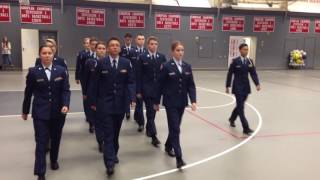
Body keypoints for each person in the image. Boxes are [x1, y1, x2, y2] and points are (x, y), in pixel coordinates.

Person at [22, 45, 71, 180]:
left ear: (53, 55)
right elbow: (28, 93)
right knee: (41, 141)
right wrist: (25, 110)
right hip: (40, 112)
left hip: (58, 112)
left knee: (55, 139)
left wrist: (66, 104)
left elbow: (66, 90)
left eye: (50, 53)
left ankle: (54, 159)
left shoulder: (61, 70)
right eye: (44, 53)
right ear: (40, 55)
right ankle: (40, 172)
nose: (47, 55)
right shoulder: (33, 72)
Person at [90, 37, 136, 176]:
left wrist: (132, 98)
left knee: (115, 133)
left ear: (119, 48)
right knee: (109, 134)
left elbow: (131, 82)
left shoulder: (126, 63)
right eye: (112, 45)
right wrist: (93, 102)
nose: (115, 47)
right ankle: (109, 163)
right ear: (108, 48)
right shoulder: (101, 63)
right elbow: (94, 84)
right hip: (105, 103)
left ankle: (114, 153)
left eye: (117, 45)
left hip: (121, 104)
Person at [155, 41, 197, 169]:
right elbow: (159, 85)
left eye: (182, 50)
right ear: (172, 52)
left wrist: (193, 100)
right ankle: (179, 158)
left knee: (175, 126)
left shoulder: (187, 66)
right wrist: (156, 102)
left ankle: (168, 145)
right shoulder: (166, 66)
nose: (180, 52)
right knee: (175, 128)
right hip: (170, 103)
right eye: (178, 50)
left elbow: (191, 85)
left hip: (182, 102)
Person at [136, 36, 166, 147]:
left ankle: (149, 129)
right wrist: (138, 91)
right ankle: (154, 136)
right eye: (152, 44)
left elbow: (164, 74)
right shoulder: (142, 57)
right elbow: (138, 75)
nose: (154, 45)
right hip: (146, 90)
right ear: (148, 45)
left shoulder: (161, 57)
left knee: (152, 113)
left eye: (156, 44)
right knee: (150, 111)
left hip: (157, 91)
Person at [226, 43, 261, 136]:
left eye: (247, 49)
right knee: (241, 107)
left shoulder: (250, 61)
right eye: (244, 49)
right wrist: (227, 86)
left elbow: (253, 73)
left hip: (246, 87)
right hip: (237, 87)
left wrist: (257, 84)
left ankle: (232, 118)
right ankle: (246, 127)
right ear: (240, 50)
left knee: (239, 106)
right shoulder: (235, 61)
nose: (246, 51)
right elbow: (230, 74)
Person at [84, 41, 107, 153]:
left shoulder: (109, 62)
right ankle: (100, 141)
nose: (101, 50)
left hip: (107, 97)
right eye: (99, 48)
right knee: (98, 121)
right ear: (95, 50)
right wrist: (88, 96)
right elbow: (86, 80)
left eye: (103, 48)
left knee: (107, 121)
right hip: (95, 97)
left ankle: (107, 140)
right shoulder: (90, 62)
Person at [82, 37, 98, 133]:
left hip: (101, 90)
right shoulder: (88, 60)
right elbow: (85, 77)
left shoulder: (105, 60)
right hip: (90, 88)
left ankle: (97, 123)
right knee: (90, 106)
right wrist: (85, 91)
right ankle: (91, 123)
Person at [132, 33, 147, 128]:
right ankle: (141, 123)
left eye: (142, 39)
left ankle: (137, 116)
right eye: (139, 39)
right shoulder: (131, 52)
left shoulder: (147, 52)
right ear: (136, 40)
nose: (141, 40)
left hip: (145, 81)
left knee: (140, 103)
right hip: (135, 81)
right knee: (139, 101)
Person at [120, 33, 135, 120]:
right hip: (123, 73)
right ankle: (127, 111)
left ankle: (129, 106)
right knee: (125, 93)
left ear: (131, 40)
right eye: (127, 39)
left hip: (132, 74)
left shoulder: (134, 49)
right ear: (125, 39)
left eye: (129, 39)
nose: (128, 40)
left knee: (131, 92)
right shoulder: (121, 49)